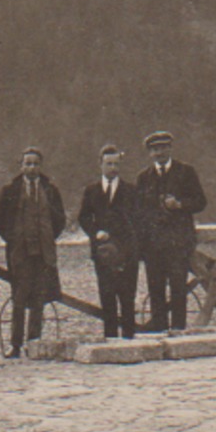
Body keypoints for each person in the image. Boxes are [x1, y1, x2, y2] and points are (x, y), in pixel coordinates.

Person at [0, 147, 67, 358]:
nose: (32, 168)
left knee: (39, 299)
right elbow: (0, 219)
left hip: (43, 253)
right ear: (21, 166)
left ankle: (33, 343)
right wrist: (14, 239)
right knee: (19, 298)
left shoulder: (50, 190)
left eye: (35, 163)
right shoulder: (11, 190)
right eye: (28, 163)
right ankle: (15, 345)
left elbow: (60, 219)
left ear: (40, 166)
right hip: (21, 254)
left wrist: (48, 237)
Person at [134, 131, 207, 333]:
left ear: (170, 149)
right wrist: (141, 246)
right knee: (155, 288)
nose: (160, 153)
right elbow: (138, 213)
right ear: (150, 153)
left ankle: (178, 328)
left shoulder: (186, 172)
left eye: (164, 148)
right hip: (153, 244)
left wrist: (180, 205)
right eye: (155, 149)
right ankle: (158, 327)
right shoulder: (143, 177)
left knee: (178, 287)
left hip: (178, 242)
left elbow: (201, 202)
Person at [77, 144, 140, 340]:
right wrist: (96, 233)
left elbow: (139, 220)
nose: (112, 168)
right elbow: (84, 217)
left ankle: (129, 339)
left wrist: (126, 242)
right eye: (108, 163)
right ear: (100, 165)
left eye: (116, 164)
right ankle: (110, 339)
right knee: (107, 296)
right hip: (102, 252)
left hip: (127, 252)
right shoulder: (92, 191)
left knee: (127, 297)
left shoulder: (131, 190)